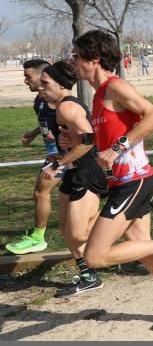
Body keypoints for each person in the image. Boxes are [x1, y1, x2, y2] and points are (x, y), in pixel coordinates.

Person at [72, 30, 153, 331]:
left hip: (135, 181)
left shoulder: (114, 86)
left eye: (76, 55)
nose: (72, 60)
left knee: (95, 256)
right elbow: (112, 132)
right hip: (123, 183)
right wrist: (85, 142)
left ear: (94, 59)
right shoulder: (97, 95)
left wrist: (115, 148)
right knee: (139, 247)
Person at [38, 61, 108, 295]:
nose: (40, 86)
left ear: (60, 84)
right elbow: (79, 138)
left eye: (45, 82)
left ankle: (124, 216)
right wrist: (63, 148)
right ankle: (89, 276)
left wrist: (59, 163)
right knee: (66, 229)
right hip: (74, 171)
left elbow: (91, 138)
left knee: (78, 233)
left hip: (86, 172)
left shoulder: (67, 107)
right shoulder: (60, 107)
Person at [5, 60, 62, 255]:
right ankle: (132, 197)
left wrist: (60, 139)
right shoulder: (39, 99)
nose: (25, 80)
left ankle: (38, 238)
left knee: (41, 191)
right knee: (79, 196)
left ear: (43, 76)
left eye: (28, 76)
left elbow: (75, 122)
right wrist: (34, 132)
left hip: (64, 154)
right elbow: (47, 122)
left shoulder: (56, 99)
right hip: (55, 153)